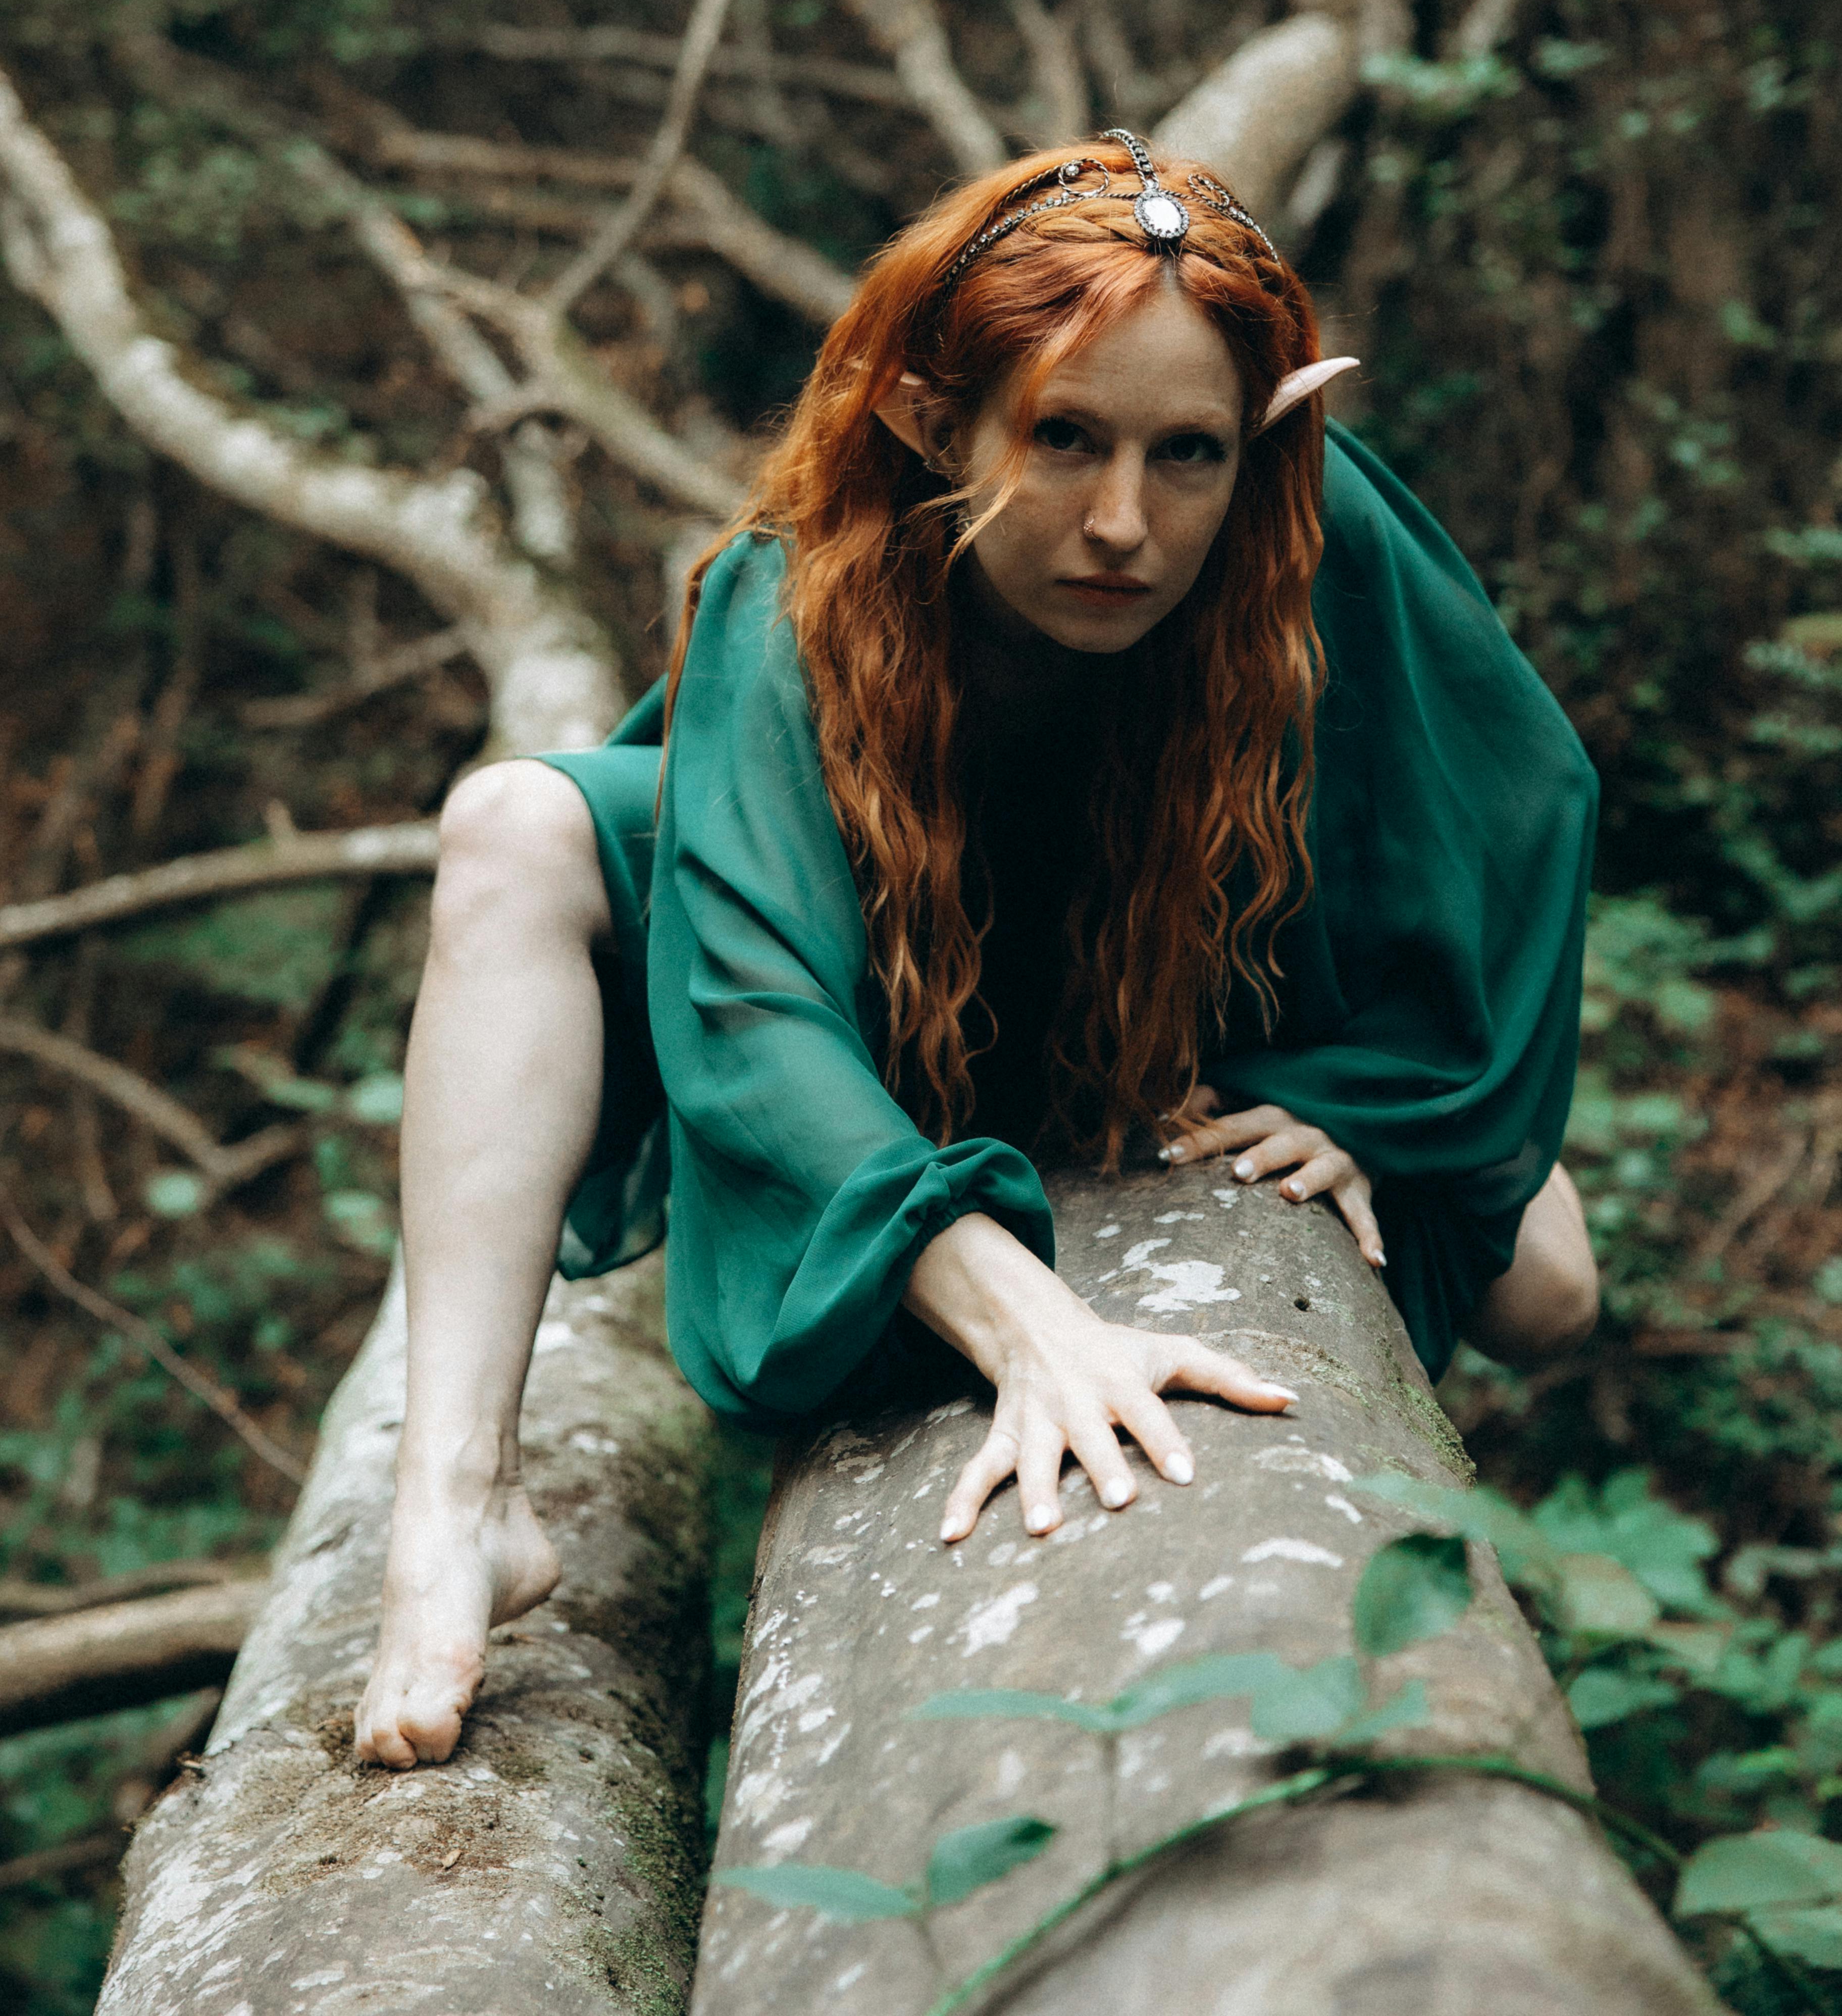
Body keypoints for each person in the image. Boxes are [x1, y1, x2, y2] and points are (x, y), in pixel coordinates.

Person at [354, 131, 1601, 1772]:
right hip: (874, 971)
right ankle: (455, 1506)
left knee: (1553, 1291)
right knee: (515, 824)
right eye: (1063, 439)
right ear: (939, 423)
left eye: (1189, 456)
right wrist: (1030, 1318)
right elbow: (753, 1014)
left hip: (1172, 987)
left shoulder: (1309, 533)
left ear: (1265, 442)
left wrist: (1372, 1096)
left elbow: (1518, 808)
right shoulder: (798, 593)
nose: (1123, 524)